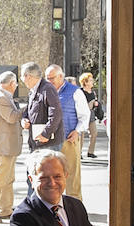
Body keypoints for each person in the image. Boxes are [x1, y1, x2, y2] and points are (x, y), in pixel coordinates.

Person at [45, 64, 90, 200]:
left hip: (68, 139)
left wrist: (77, 131)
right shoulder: (46, 91)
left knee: (72, 175)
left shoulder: (75, 92)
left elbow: (85, 115)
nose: (49, 81)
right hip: (50, 140)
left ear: (60, 76)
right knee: (51, 175)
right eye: (47, 78)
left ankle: (75, 204)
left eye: (51, 78)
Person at [0, 70, 23, 221]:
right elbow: (12, 117)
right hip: (3, 146)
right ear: (12, 84)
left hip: (7, 146)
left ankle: (6, 209)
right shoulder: (1, 97)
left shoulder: (2, 96)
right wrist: (26, 109)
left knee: (8, 180)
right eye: (16, 84)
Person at [20, 61, 63, 152]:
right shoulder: (33, 90)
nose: (22, 80)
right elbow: (29, 109)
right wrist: (24, 119)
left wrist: (45, 134)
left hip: (48, 143)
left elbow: (56, 114)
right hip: (37, 141)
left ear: (28, 76)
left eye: (22, 77)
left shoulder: (47, 89)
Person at [79, 71, 104, 157]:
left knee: (94, 133)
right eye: (90, 80)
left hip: (91, 114)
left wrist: (95, 103)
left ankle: (90, 152)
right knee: (81, 135)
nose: (92, 82)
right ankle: (79, 153)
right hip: (82, 115)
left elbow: (95, 101)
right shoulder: (80, 92)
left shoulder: (93, 92)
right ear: (85, 82)